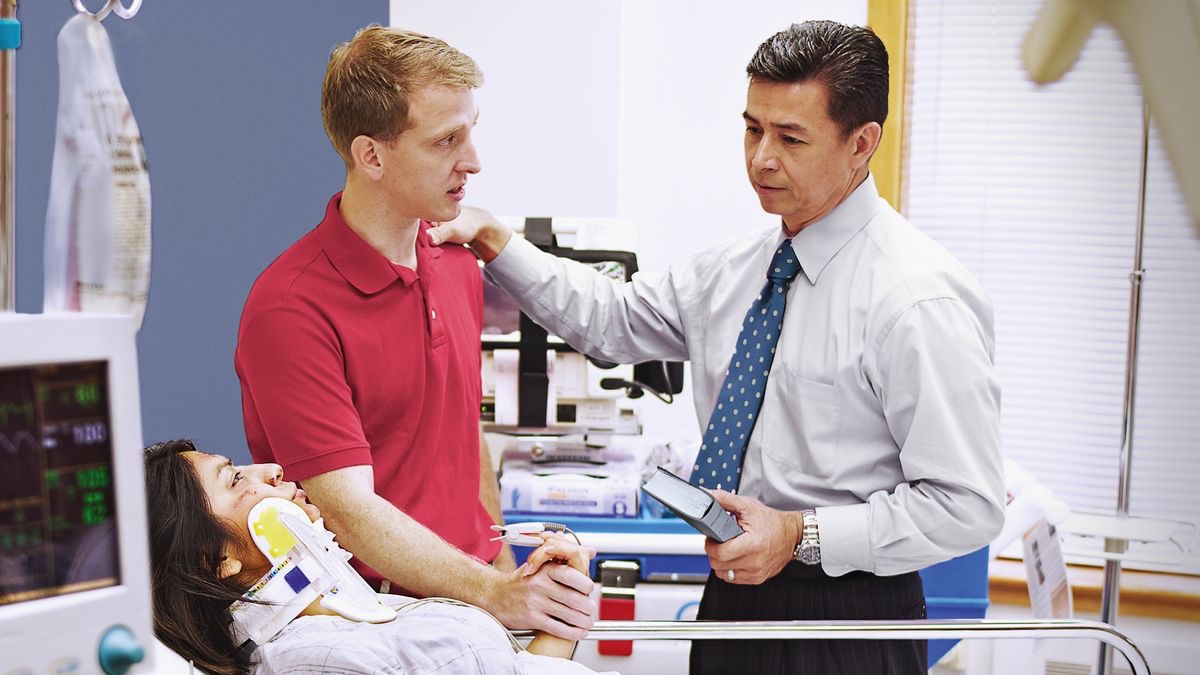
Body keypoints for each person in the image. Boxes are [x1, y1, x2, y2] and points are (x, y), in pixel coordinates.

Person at [430, 20, 1005, 675]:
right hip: (732, 596)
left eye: (791, 138)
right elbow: (611, 319)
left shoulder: (917, 298)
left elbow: (967, 504)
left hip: (848, 613)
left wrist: (799, 533)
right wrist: (494, 238)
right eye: (753, 129)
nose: (762, 158)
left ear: (861, 143)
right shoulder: (736, 271)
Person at [233, 25, 595, 640]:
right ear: (371, 156)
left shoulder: (455, 263)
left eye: (470, 131)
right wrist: (493, 594)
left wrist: (498, 565)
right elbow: (348, 512)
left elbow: (463, 429)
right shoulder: (289, 308)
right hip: (373, 626)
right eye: (446, 140)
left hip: (473, 601)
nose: (473, 161)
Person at [144, 439, 603, 675]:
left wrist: (557, 616)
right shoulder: (310, 659)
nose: (272, 470)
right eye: (235, 480)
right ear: (217, 561)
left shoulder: (362, 614)